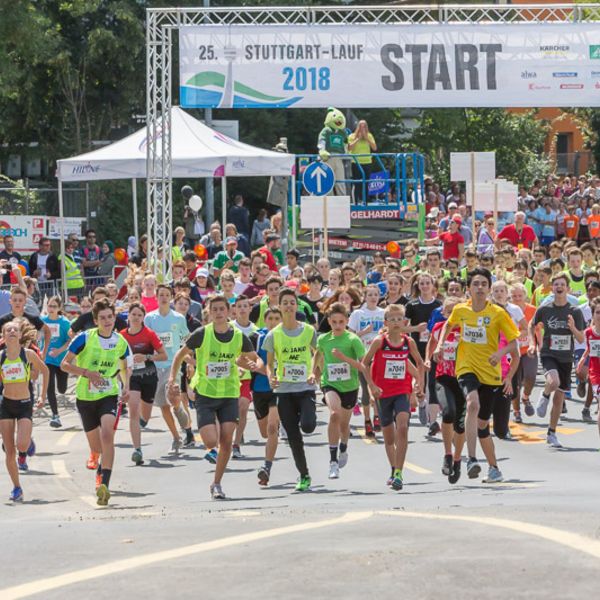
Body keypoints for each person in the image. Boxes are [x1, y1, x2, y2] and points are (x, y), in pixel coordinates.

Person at [168, 295, 260, 499]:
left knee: (226, 441)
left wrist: (255, 366)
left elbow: (253, 359)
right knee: (211, 441)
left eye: (222, 309)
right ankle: (209, 443)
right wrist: (173, 379)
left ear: (229, 312)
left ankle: (216, 483)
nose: (218, 313)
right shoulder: (202, 334)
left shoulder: (239, 336)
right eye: (214, 309)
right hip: (206, 395)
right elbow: (180, 355)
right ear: (209, 312)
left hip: (229, 394)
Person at [434, 268, 519, 483]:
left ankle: (494, 467)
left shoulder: (498, 314)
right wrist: (441, 345)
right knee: (472, 404)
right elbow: (448, 325)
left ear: (489, 289)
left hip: (490, 374)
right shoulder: (461, 310)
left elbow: (513, 343)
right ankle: (471, 459)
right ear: (469, 289)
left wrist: (499, 353)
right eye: (475, 284)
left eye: (483, 284)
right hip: (466, 368)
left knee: (482, 426)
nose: (479, 287)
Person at [61, 298, 130, 506]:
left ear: (114, 317)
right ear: (95, 320)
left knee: (108, 434)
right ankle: (96, 457)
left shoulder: (120, 342)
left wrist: (126, 387)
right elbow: (65, 364)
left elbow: (125, 367)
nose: (107, 321)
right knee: (97, 446)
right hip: (85, 397)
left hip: (108, 393)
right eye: (102, 318)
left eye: (110, 317)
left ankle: (105, 485)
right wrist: (86, 373)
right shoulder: (84, 338)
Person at [363, 304, 424, 491]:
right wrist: (371, 386)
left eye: (400, 319)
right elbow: (364, 364)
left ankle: (399, 473)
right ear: (386, 322)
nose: (397, 323)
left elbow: (420, 364)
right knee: (389, 438)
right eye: (393, 319)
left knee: (403, 427)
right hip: (383, 393)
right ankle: (393, 469)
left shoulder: (409, 342)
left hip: (402, 391)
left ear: (404, 322)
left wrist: (418, 384)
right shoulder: (380, 342)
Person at [264, 288, 318, 492]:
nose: (288, 306)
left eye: (291, 303)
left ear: (297, 306)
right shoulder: (273, 335)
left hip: (305, 388)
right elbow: (269, 363)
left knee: (309, 426)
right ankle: (304, 475)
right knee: (294, 437)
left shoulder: (308, 331)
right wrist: (271, 376)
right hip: (284, 391)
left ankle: (304, 474)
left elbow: (318, 352)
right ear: (279, 306)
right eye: (284, 302)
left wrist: (314, 372)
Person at [313, 302, 369, 479]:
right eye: (334, 322)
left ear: (346, 322)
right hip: (330, 383)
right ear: (329, 321)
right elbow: (318, 354)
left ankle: (343, 446)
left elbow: (363, 366)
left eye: (341, 322)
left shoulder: (353, 340)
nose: (337, 325)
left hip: (350, 386)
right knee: (334, 415)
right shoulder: (323, 339)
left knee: (344, 426)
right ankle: (333, 461)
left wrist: (343, 358)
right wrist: (312, 371)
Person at [529, 273, 585, 448]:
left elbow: (581, 339)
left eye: (562, 284)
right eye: (556, 284)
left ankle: (551, 433)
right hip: (548, 353)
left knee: (559, 398)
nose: (559, 287)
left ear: (567, 289)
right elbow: (532, 325)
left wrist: (573, 328)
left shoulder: (575, 311)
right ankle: (544, 395)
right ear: (552, 289)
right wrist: (533, 344)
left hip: (566, 357)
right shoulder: (545, 309)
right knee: (553, 382)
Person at [0, 320, 49, 501]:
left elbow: (45, 371)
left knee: (20, 445)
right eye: (8, 330)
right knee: (9, 451)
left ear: (20, 335)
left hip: (24, 404)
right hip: (6, 405)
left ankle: (27, 443)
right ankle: (17, 487)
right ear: (4, 336)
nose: (12, 331)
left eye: (15, 329)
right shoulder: (0, 356)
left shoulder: (27, 354)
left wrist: (42, 396)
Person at [144, 285, 192, 453]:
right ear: (156, 298)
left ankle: (179, 409)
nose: (164, 298)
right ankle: (176, 438)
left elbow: (187, 339)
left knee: (173, 399)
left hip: (173, 365)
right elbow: (145, 341)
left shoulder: (178, 318)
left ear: (171, 297)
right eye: (161, 295)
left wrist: (191, 360)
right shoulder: (150, 318)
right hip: (155, 367)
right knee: (164, 406)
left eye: (167, 295)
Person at [120, 302, 167, 465]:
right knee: (133, 411)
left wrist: (147, 357)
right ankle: (137, 449)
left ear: (143, 317)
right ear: (128, 315)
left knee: (144, 417)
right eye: (133, 314)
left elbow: (164, 355)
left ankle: (141, 424)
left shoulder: (149, 334)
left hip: (149, 376)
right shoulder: (121, 336)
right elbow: (116, 359)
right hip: (132, 378)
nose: (136, 318)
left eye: (139, 315)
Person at [426, 297, 466, 483]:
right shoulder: (439, 329)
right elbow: (430, 346)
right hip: (443, 377)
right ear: (444, 313)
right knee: (448, 413)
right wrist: (427, 360)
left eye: (455, 311)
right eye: (449, 312)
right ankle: (448, 455)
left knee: (461, 424)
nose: (452, 315)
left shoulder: (468, 329)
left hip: (464, 379)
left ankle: (458, 460)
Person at [250, 307, 282, 486]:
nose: (274, 322)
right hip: (260, 389)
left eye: (277, 318)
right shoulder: (257, 338)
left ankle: (266, 468)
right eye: (270, 318)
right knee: (265, 432)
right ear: (265, 320)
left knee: (271, 428)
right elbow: (247, 360)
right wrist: (253, 367)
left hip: (278, 389)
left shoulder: (287, 337)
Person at [348, 285, 385, 436]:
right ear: (365, 297)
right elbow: (350, 335)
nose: (373, 297)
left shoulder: (383, 313)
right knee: (365, 389)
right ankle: (367, 420)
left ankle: (377, 417)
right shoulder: (358, 314)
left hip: (379, 356)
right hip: (362, 356)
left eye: (376, 294)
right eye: (370, 295)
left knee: (377, 387)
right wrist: (365, 332)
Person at [41, 296, 72, 428]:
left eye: (54, 306)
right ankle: (55, 415)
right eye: (49, 306)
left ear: (59, 308)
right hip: (48, 359)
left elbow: (70, 340)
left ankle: (62, 389)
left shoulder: (64, 323)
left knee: (62, 388)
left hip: (61, 359)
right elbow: (37, 335)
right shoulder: (42, 321)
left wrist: (60, 351)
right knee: (49, 386)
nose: (51, 309)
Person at [0, 288, 51, 360]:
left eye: (20, 300)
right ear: (10, 301)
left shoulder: (32, 319)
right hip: (7, 358)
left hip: (29, 357)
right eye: (15, 300)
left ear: (25, 302)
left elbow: (47, 331)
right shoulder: (2, 320)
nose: (17, 303)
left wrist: (44, 352)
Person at [348, 120, 377, 202]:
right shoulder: (352, 136)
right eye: (361, 126)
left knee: (366, 183)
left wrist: (366, 138)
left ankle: (365, 201)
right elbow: (349, 148)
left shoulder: (369, 136)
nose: (362, 128)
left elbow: (374, 148)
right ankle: (356, 201)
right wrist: (358, 139)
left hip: (367, 162)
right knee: (357, 183)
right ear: (357, 127)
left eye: (364, 126)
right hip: (356, 162)